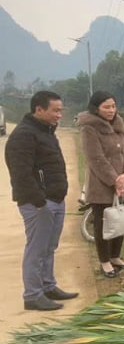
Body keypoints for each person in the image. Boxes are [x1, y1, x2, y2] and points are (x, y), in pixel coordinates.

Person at [4, 90, 78, 310]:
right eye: (55, 111)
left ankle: (48, 285)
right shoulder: (24, 135)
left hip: (55, 199)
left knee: (49, 246)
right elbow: (21, 174)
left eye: (60, 110)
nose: (59, 115)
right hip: (39, 203)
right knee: (37, 248)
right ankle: (33, 295)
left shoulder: (46, 131)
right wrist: (39, 201)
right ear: (39, 109)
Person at [77, 91, 124, 278]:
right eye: (106, 107)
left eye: (113, 106)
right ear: (96, 108)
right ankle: (104, 261)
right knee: (103, 222)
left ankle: (115, 256)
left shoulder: (120, 125)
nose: (111, 110)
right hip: (101, 184)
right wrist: (115, 180)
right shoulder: (89, 128)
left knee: (120, 219)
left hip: (123, 180)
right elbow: (96, 159)